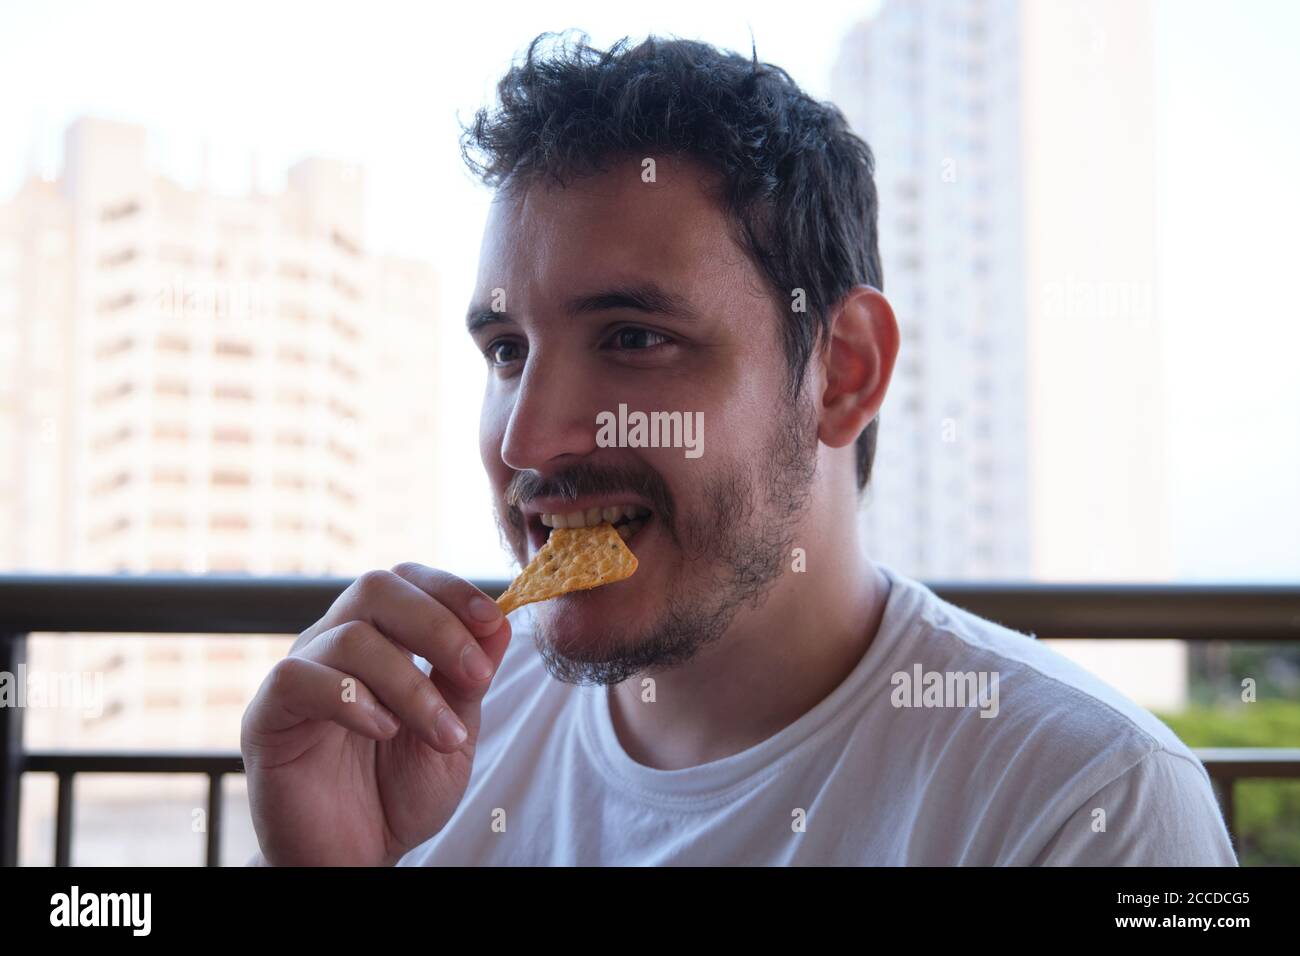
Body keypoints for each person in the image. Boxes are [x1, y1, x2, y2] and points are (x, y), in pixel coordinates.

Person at [240, 31, 1237, 866]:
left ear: (841, 371)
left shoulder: (1089, 804)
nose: (526, 436)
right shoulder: (427, 744)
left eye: (632, 337)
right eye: (507, 349)